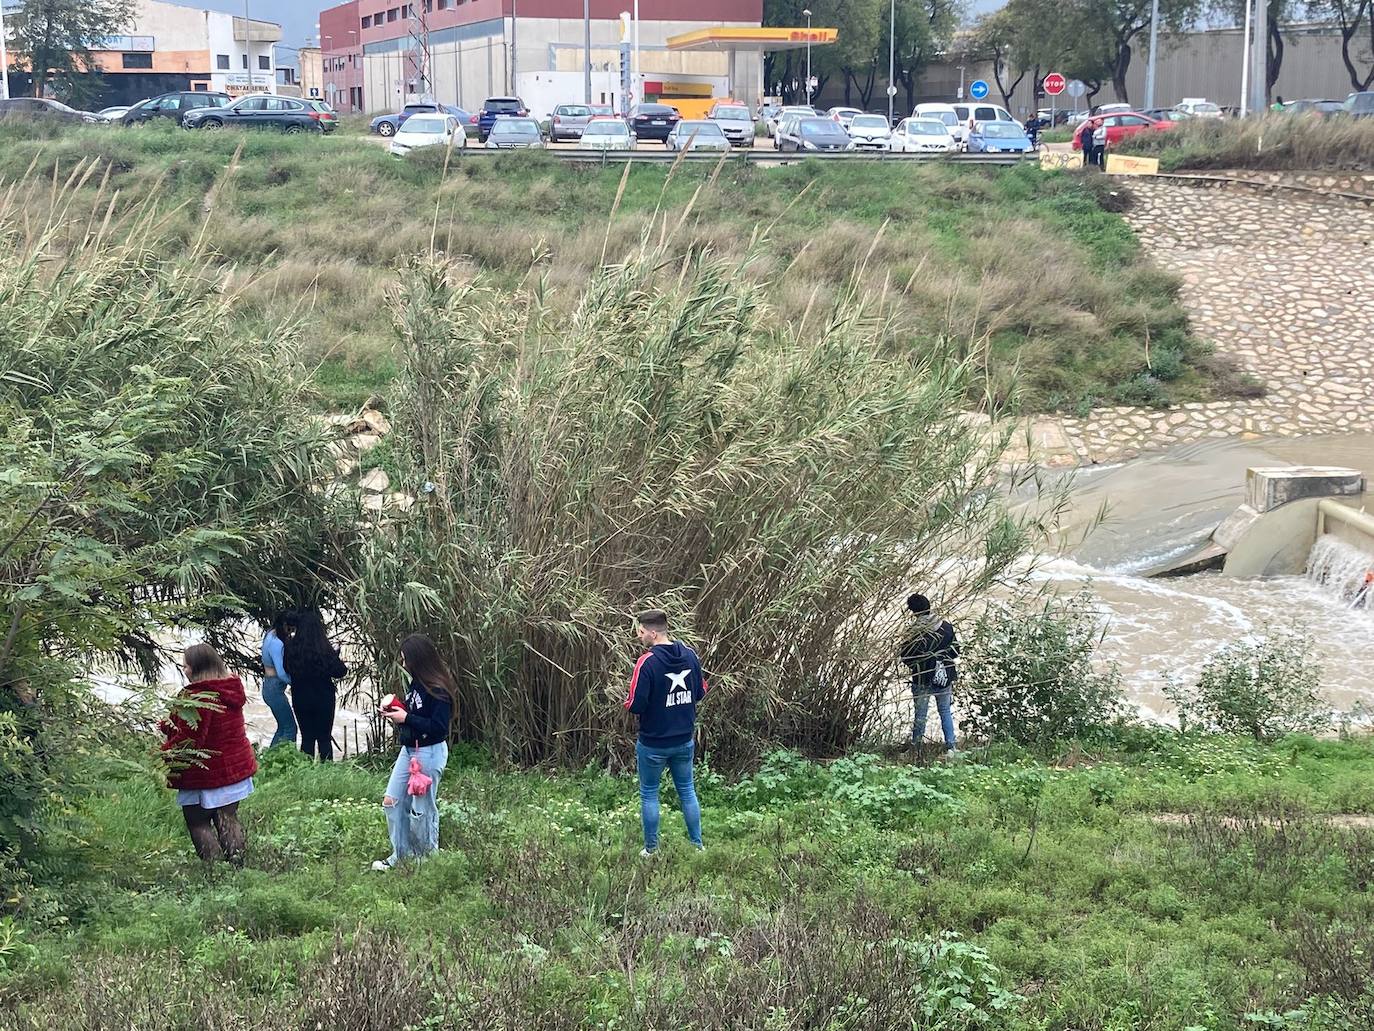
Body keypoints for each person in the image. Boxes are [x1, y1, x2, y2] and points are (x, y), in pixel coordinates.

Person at [159, 643, 257, 864]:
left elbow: (189, 739)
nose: (184, 669)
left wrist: (164, 754)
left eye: (185, 665)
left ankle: (215, 874)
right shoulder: (230, 688)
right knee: (228, 819)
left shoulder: (196, 697)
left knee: (197, 823)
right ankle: (237, 868)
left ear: (195, 668)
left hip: (206, 774)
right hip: (235, 769)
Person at [624, 609, 706, 856]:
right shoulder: (690, 656)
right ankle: (697, 845)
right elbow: (700, 692)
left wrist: (627, 703)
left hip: (653, 743)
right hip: (684, 740)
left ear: (652, 632)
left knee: (649, 793)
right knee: (687, 791)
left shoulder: (646, 662)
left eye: (640, 632)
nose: (639, 637)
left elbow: (635, 704)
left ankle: (651, 850)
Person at [372, 634, 455, 871]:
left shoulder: (438, 689)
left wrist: (406, 717)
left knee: (422, 808)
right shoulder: (416, 684)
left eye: (405, 658)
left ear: (417, 659)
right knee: (392, 800)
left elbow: (439, 727)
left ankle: (426, 859)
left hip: (429, 752)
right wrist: (396, 710)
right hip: (409, 751)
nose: (402, 662)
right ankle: (401, 854)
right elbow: (416, 713)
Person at [900, 593, 960, 757]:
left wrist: (921, 664)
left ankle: (916, 749)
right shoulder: (946, 626)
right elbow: (956, 651)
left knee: (920, 715)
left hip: (922, 677)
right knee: (945, 710)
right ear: (929, 606)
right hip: (945, 676)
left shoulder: (914, 631)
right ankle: (951, 747)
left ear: (912, 611)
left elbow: (905, 656)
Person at [283, 609, 347, 761]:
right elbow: (341, 671)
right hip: (323, 698)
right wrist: (336, 654)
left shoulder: (291, 648)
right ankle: (327, 771)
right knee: (324, 738)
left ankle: (306, 771)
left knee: (307, 739)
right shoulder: (324, 650)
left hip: (301, 698)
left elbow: (287, 668)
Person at [260, 610, 298, 748]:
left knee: (282, 727)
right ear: (284, 625)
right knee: (290, 728)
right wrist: (297, 684)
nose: (290, 633)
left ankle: (272, 758)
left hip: (269, 686)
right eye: (290, 629)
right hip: (274, 688)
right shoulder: (277, 643)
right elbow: (281, 673)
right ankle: (285, 760)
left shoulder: (270, 634)